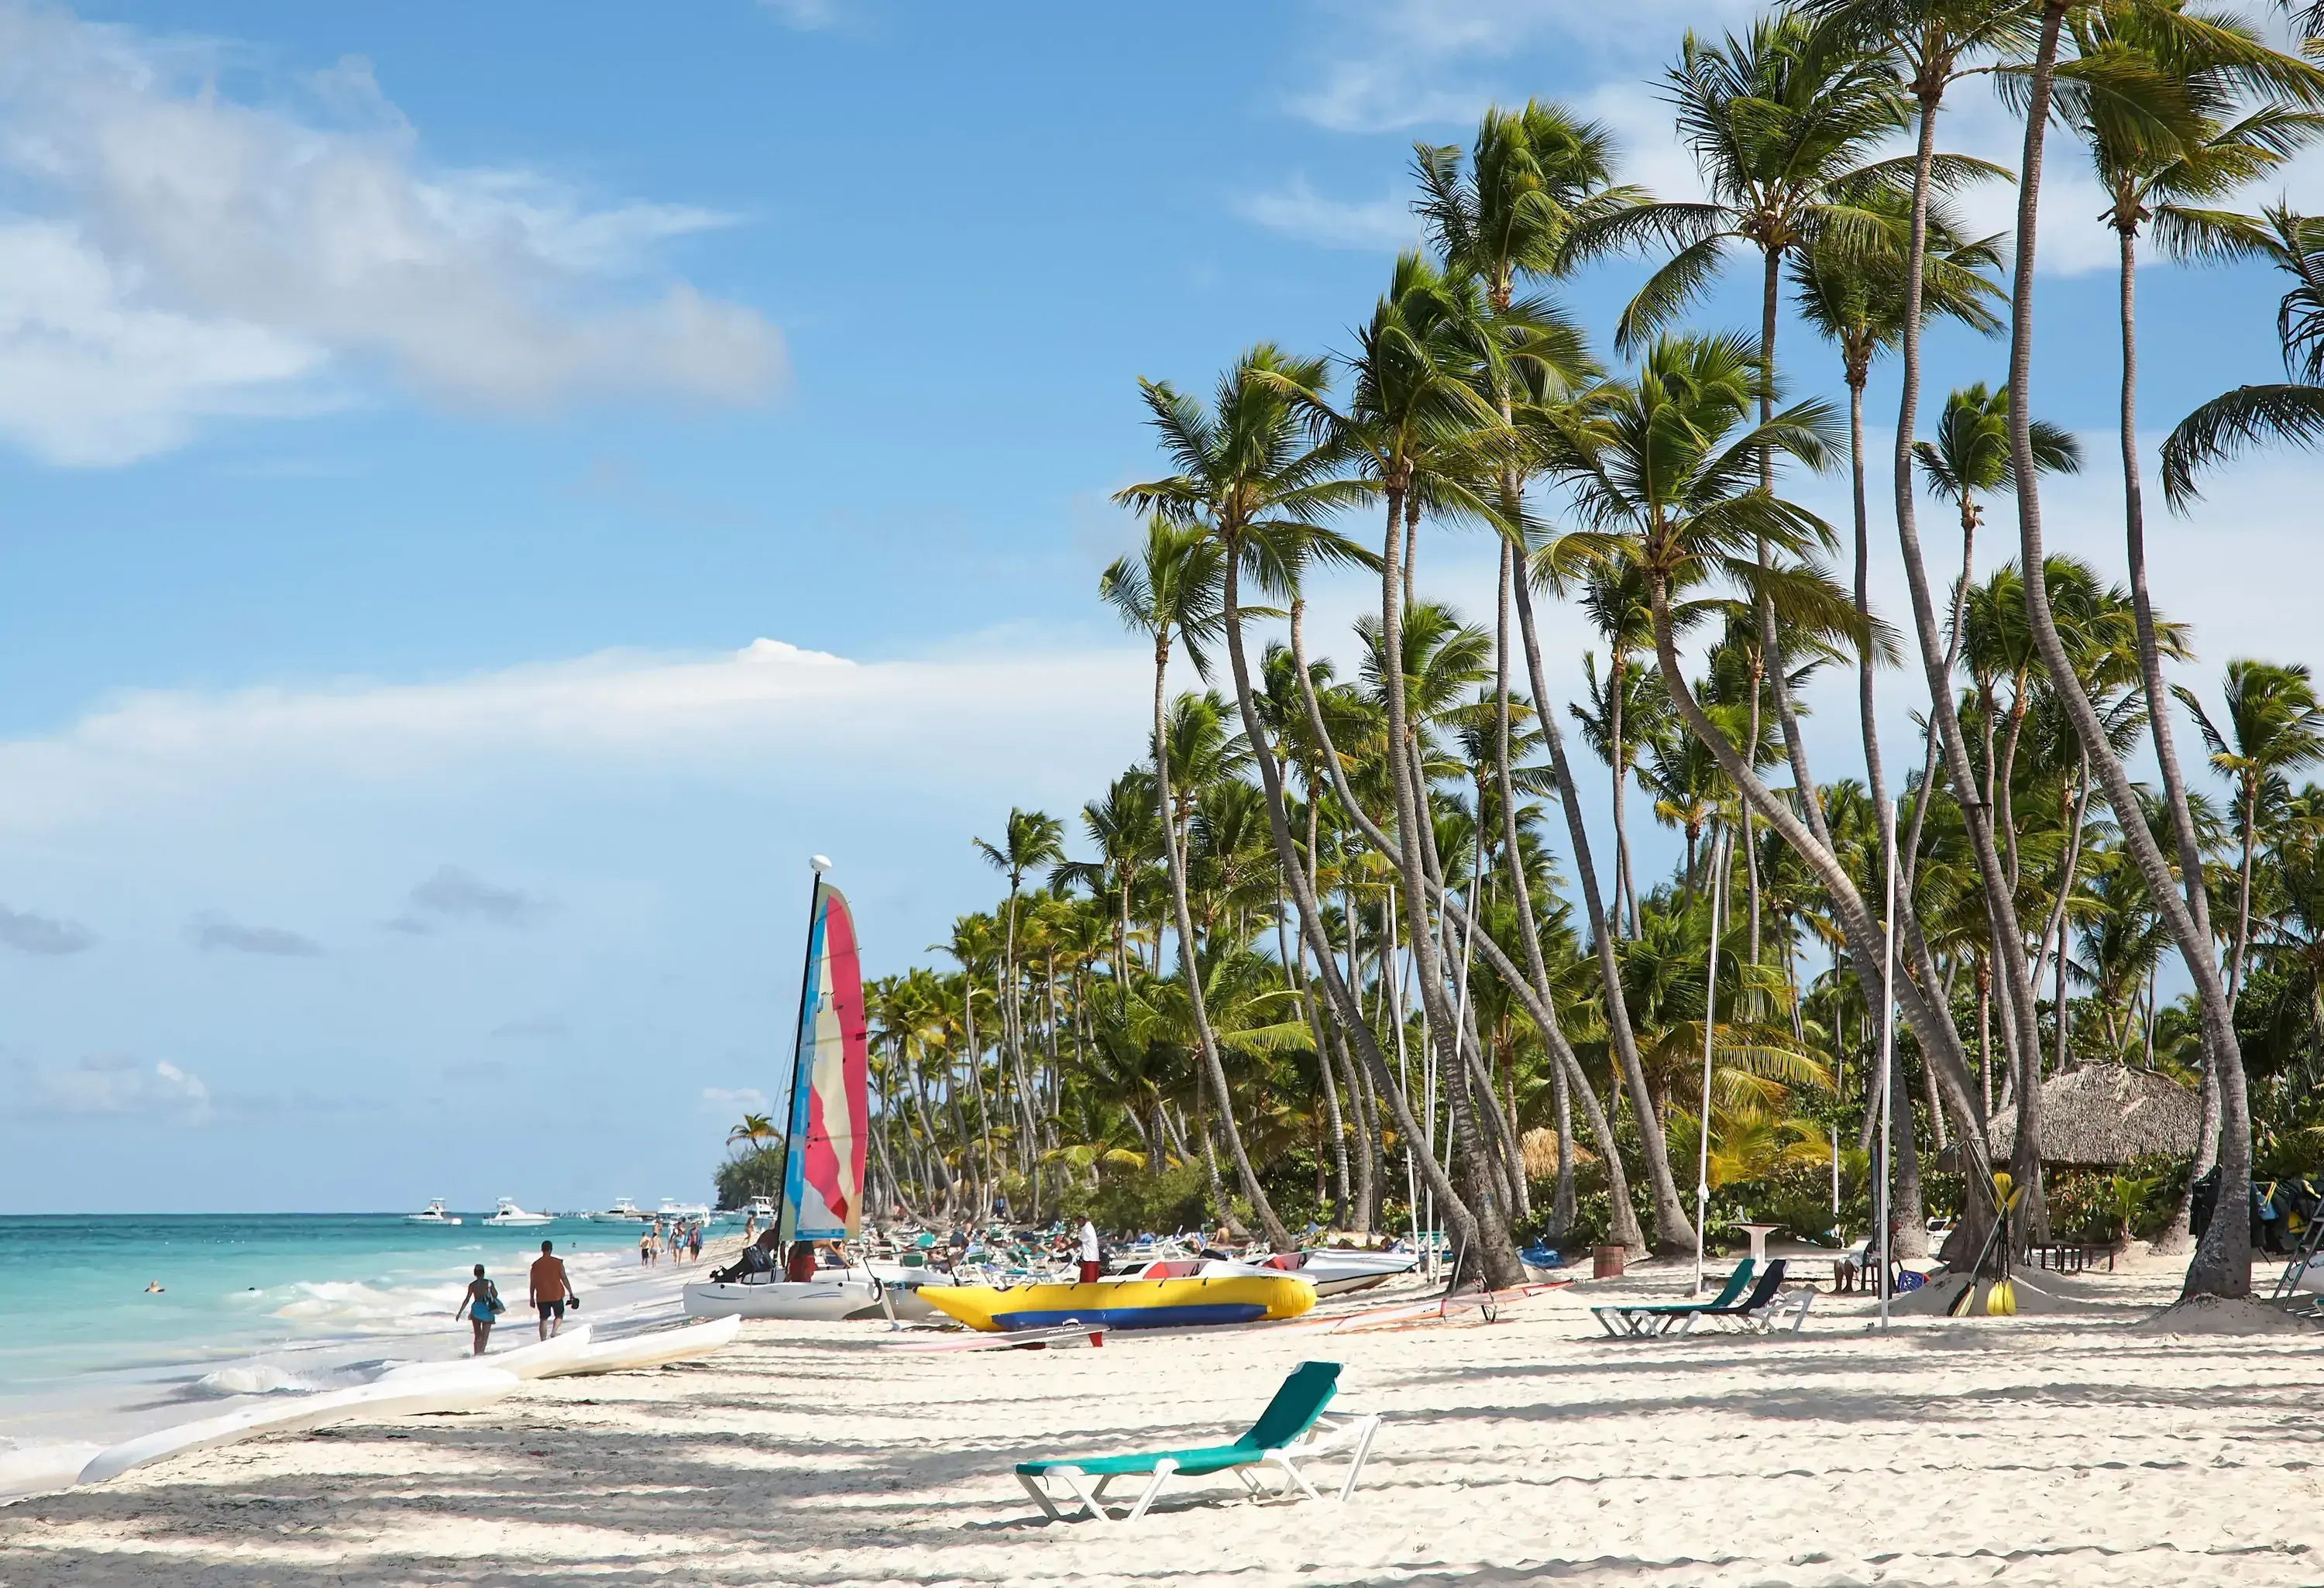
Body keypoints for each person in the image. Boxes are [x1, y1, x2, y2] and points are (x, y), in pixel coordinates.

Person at [529, 1240, 576, 1340]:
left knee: (543, 1319)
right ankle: (554, 1332)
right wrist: (571, 1293)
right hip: (556, 1294)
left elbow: (532, 1282)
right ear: (551, 1249)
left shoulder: (536, 1265)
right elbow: (564, 1278)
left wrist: (531, 1298)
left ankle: (543, 1339)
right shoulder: (558, 1263)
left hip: (541, 1296)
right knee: (559, 1315)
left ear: (542, 1250)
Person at [456, 1263, 501, 1356]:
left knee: (477, 1336)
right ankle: (481, 1353)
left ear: (475, 1274)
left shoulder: (472, 1285)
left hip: (476, 1310)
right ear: (484, 1273)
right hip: (487, 1310)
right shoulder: (489, 1283)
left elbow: (467, 1299)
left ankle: (476, 1353)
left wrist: (460, 1313)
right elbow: (495, 1295)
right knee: (485, 1336)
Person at [1078, 1216, 1102, 1284]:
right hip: (1092, 1259)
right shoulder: (1089, 1227)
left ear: (1083, 1219)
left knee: (1088, 1284)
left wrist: (1064, 1249)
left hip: (1089, 1260)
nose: (1078, 1222)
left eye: (1079, 1220)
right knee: (1088, 1283)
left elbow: (1078, 1242)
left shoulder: (1087, 1229)